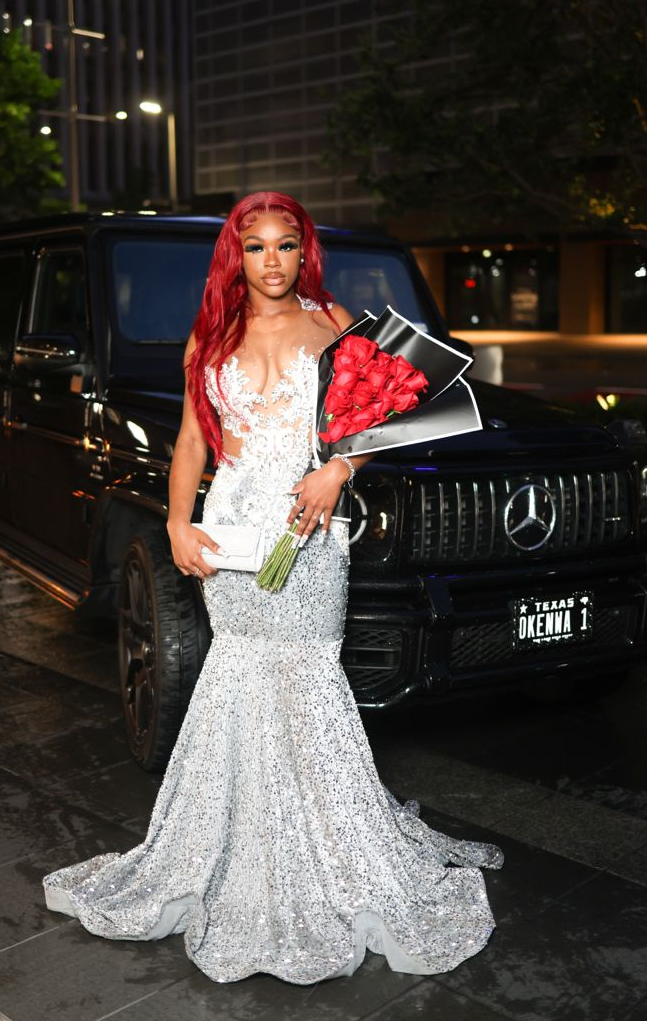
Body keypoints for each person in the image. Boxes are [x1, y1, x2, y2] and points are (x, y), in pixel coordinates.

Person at [42, 191, 503, 984]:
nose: (272, 261)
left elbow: (387, 412)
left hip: (309, 530)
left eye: (285, 245)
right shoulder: (211, 334)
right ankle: (236, 841)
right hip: (231, 534)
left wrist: (339, 469)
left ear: (303, 251)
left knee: (308, 673)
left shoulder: (332, 322)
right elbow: (193, 440)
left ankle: (326, 846)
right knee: (238, 671)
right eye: (255, 247)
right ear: (236, 256)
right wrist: (178, 524)